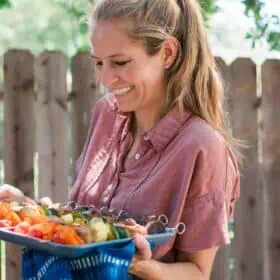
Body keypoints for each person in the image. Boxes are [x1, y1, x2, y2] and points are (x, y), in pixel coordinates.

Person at [0, 0, 240, 279]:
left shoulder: (202, 146)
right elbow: (89, 223)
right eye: (99, 63)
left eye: (120, 62)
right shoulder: (107, 114)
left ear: (167, 53)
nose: (106, 78)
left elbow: (197, 273)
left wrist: (134, 262)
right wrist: (27, 210)